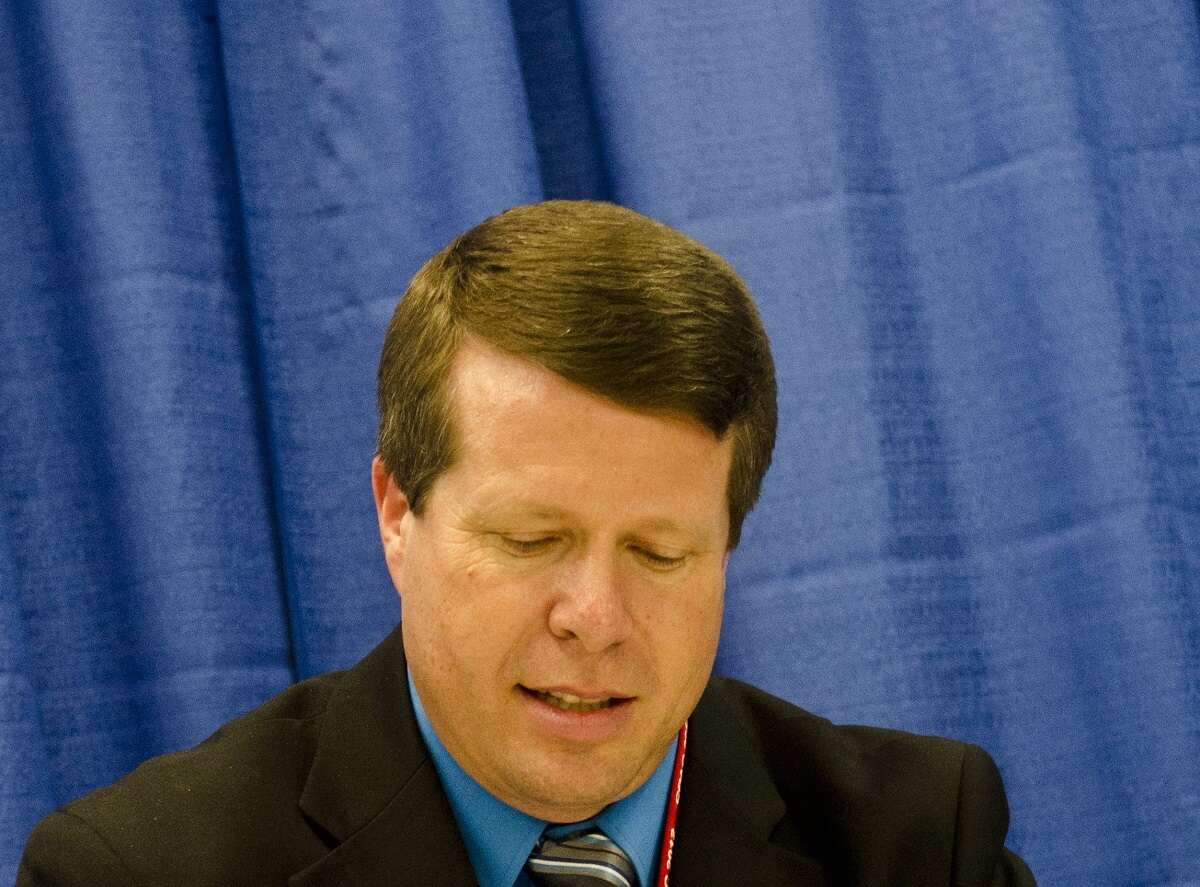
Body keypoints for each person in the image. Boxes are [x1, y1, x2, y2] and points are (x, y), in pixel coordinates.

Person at [19, 200, 1035, 885]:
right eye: (529, 536)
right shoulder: (138, 868)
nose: (593, 617)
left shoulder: (918, 842)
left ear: (729, 543)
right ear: (395, 513)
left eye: (660, 552)